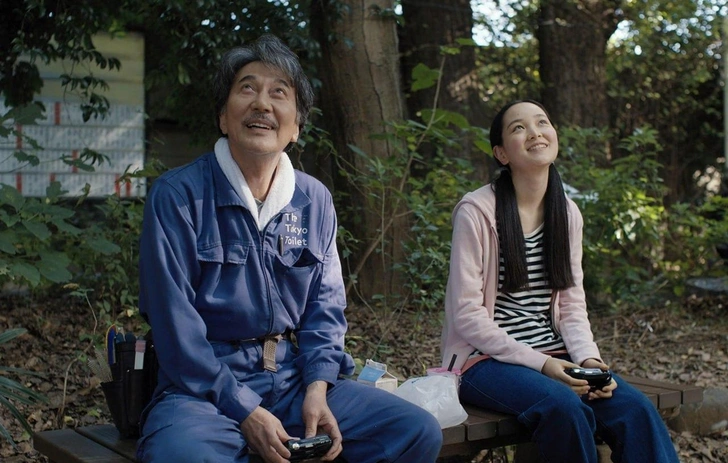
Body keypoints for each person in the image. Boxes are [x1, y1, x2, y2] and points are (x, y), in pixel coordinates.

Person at [137, 34, 442, 463]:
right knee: (180, 454)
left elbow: (325, 309)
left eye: (279, 92)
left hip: (293, 379)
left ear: (296, 126)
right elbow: (174, 328)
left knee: (413, 431)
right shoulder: (179, 195)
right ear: (223, 117)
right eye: (247, 88)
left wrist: (318, 386)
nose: (262, 104)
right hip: (203, 390)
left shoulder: (313, 199)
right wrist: (244, 409)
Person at [440, 99, 679, 462]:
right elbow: (467, 315)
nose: (534, 132)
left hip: (557, 355)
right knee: (563, 408)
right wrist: (542, 364)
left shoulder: (566, 213)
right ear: (501, 153)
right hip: (483, 362)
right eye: (519, 127)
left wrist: (589, 359)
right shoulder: (476, 212)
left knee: (635, 410)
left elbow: (571, 305)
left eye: (542, 123)